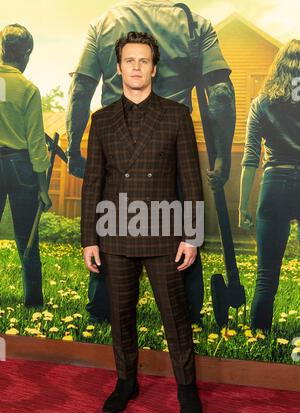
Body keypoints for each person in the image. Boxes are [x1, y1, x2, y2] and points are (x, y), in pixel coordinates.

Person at [67, 0, 235, 324]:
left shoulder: (102, 23)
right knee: (182, 225)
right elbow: (222, 95)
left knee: (111, 222)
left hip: (117, 137)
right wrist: (223, 155)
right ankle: (186, 310)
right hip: (171, 138)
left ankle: (101, 309)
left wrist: (74, 147)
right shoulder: (194, 24)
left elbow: (80, 89)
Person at [81, 32, 204, 413]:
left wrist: (193, 235)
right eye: (129, 60)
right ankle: (126, 382)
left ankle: (186, 387)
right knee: (121, 315)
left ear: (154, 68)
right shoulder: (100, 120)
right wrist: (89, 238)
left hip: (166, 235)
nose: (136, 67)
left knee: (176, 316)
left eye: (143, 60)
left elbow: (191, 181)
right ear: (118, 69)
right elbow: (92, 183)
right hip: (114, 233)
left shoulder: (176, 115)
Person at [239, 39, 300, 333]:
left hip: (275, 182)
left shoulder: (261, 103)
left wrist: (242, 207)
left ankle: (259, 335)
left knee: (266, 273)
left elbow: (250, 157)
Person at [0, 24, 51, 307]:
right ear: (27, 55)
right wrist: (43, 188)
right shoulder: (29, 89)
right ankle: (33, 301)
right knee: (27, 239)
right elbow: (35, 145)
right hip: (21, 166)